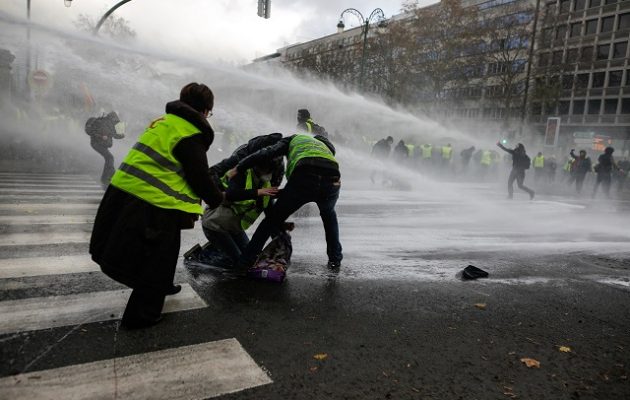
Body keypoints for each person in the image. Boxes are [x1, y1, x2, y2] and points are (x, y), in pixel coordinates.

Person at [89, 83, 224, 329]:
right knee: (157, 258)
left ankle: (163, 286)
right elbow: (199, 177)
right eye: (209, 113)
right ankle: (141, 317)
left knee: (166, 250)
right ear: (205, 111)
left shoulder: (164, 122)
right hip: (151, 202)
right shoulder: (189, 133)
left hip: (123, 191)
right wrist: (218, 199)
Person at [229, 133, 342, 271]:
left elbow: (267, 152)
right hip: (333, 178)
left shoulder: (293, 139)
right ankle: (335, 260)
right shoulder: (324, 148)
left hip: (304, 174)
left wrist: (240, 167)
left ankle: (244, 263)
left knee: (270, 222)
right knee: (329, 216)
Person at [200, 157, 281, 264]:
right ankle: (202, 257)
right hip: (215, 225)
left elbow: (270, 215)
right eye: (267, 169)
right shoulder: (242, 174)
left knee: (250, 259)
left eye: (271, 170)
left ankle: (217, 248)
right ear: (257, 167)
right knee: (238, 263)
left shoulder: (266, 185)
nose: (269, 173)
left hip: (234, 228)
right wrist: (256, 192)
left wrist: (280, 235)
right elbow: (230, 194)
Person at [85, 111, 125, 188]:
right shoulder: (101, 122)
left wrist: (122, 135)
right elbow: (91, 132)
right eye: (115, 120)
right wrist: (101, 136)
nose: (115, 122)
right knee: (110, 158)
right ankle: (111, 176)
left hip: (103, 145)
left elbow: (115, 135)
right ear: (112, 118)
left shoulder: (110, 124)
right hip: (96, 144)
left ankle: (105, 178)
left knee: (109, 158)